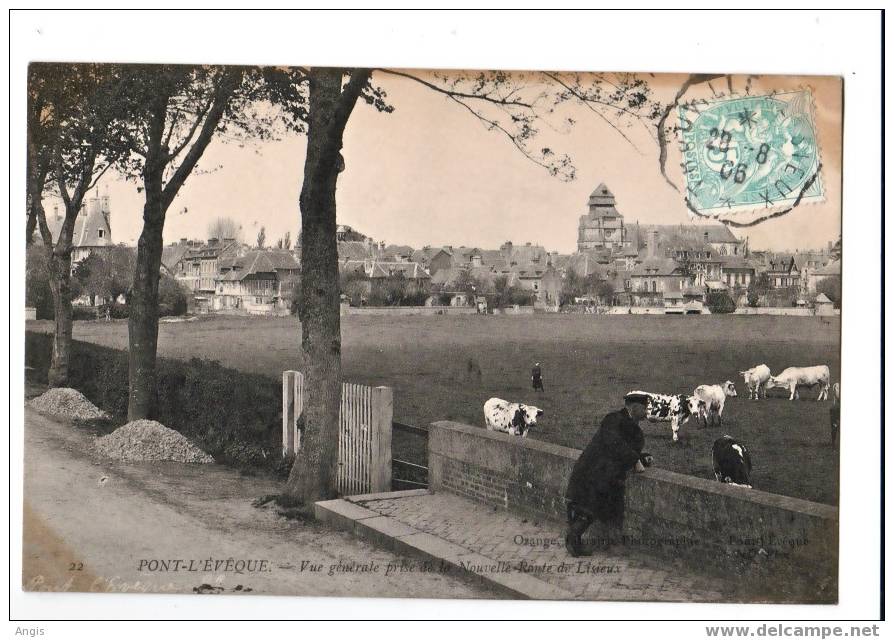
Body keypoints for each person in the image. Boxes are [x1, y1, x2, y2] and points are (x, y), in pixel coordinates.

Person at [564, 392, 653, 557]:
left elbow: (623, 450)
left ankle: (605, 544)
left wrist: (641, 457)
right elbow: (614, 443)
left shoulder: (634, 429)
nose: (647, 410)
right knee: (588, 508)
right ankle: (573, 540)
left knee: (603, 509)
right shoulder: (613, 419)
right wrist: (635, 459)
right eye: (644, 407)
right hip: (593, 472)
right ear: (633, 407)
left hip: (608, 475)